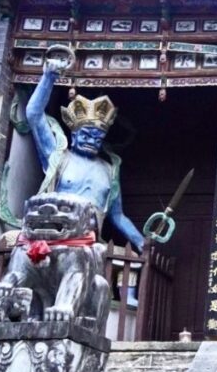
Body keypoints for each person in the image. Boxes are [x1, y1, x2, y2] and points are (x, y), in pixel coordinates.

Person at [26, 54, 144, 253]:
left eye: (98, 137)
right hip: (56, 232)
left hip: (91, 239)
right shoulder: (59, 157)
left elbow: (117, 216)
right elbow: (34, 115)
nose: (92, 141)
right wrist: (48, 77)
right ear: (74, 135)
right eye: (87, 135)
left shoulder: (109, 170)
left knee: (130, 263)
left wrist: (141, 242)